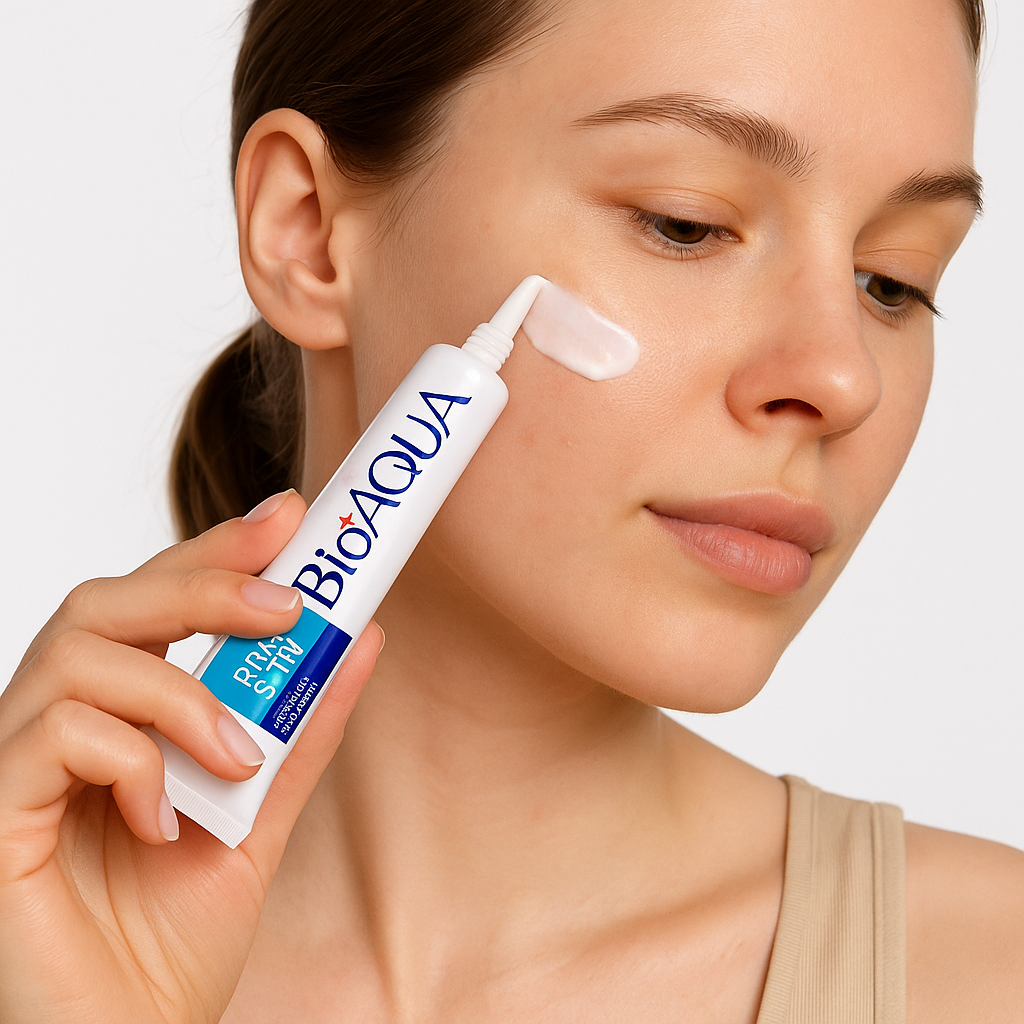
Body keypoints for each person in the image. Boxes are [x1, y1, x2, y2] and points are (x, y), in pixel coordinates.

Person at [1, 0, 1020, 1021]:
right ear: (306, 233)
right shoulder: (37, 945)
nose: (842, 377)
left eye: (892, 282)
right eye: (685, 222)